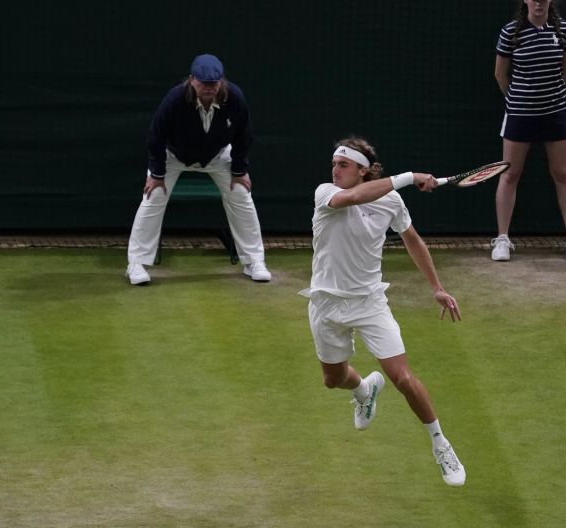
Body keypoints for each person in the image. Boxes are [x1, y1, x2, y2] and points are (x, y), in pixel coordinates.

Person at [299, 137, 466, 487]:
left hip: (370, 303)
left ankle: (441, 443)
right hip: (326, 303)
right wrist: (411, 176)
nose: (335, 169)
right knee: (332, 380)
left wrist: (437, 287)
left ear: (363, 170)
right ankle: (363, 390)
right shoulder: (325, 192)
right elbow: (355, 198)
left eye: (344, 165)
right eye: (334, 163)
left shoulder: (391, 202)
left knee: (403, 378)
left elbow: (413, 240)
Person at [126, 54, 271, 285]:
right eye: (203, 83)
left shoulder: (234, 98)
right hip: (174, 155)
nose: (209, 88)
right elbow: (155, 136)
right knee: (153, 196)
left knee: (241, 195)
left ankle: (254, 261)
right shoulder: (175, 99)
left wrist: (239, 170)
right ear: (192, 80)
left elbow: (245, 135)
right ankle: (136, 263)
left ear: (221, 81)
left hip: (217, 155)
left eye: (214, 83)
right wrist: (157, 174)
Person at [491, 0, 566, 262]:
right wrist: (517, 101)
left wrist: (550, 98)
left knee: (563, 173)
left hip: (555, 113)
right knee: (509, 175)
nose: (539, 1)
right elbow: (501, 74)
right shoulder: (510, 32)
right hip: (519, 115)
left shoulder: (564, 30)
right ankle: (502, 239)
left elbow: (565, 72)